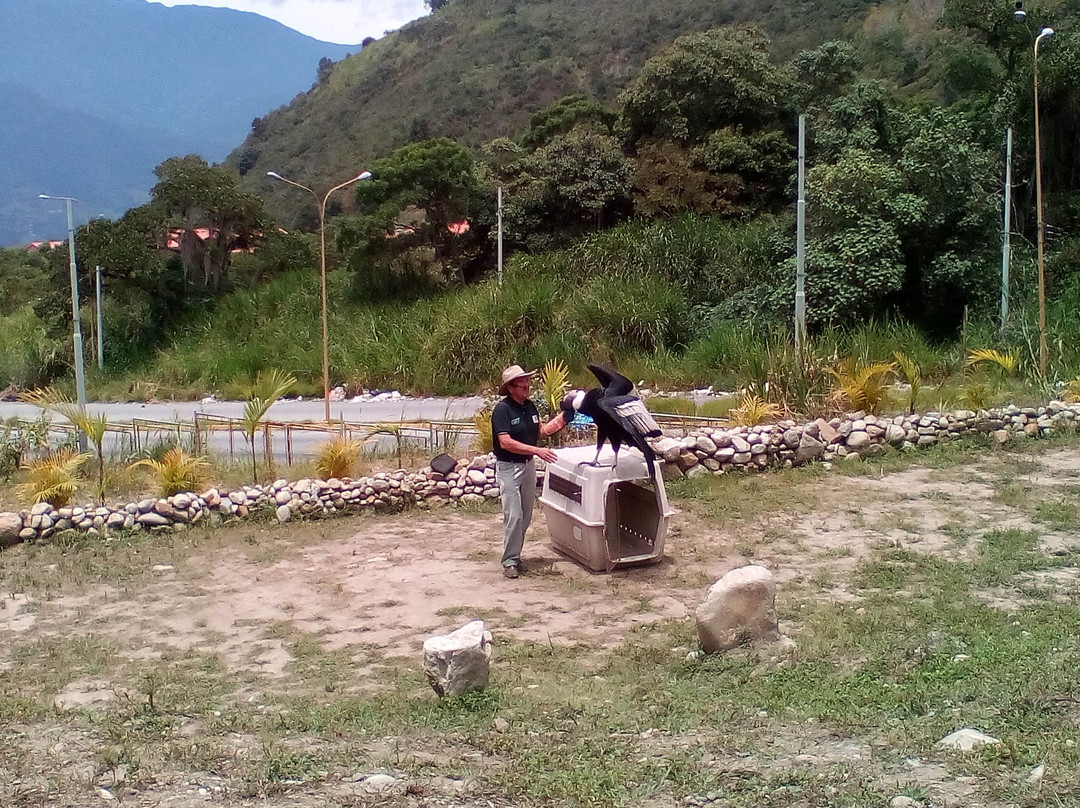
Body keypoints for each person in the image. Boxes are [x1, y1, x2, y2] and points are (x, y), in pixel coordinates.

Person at [491, 364, 572, 578]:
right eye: (522, 382)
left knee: (525, 516)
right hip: (508, 467)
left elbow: (542, 431)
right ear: (511, 387)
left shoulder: (530, 407)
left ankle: (515, 557)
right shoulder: (502, 410)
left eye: (527, 381)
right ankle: (509, 561)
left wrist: (565, 417)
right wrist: (538, 451)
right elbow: (505, 442)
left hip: (528, 466)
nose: (527, 385)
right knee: (514, 515)